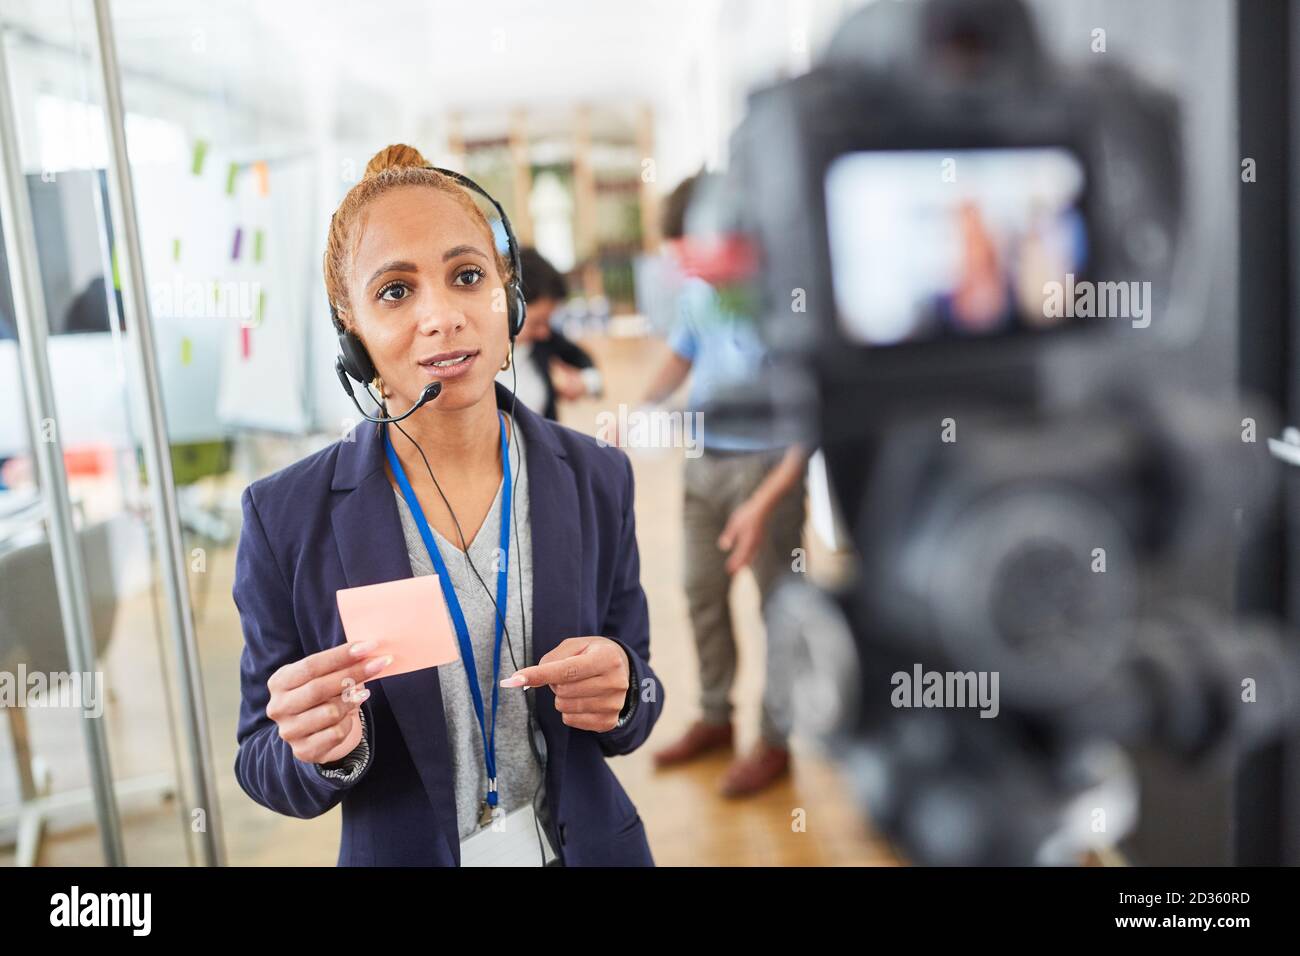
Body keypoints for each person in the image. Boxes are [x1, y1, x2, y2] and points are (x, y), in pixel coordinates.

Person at [231, 144, 663, 866]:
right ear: (352, 329)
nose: (442, 317)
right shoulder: (285, 518)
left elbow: (641, 687)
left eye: (467, 277)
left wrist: (622, 691)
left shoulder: (596, 477)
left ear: (508, 297)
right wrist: (319, 749)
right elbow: (260, 758)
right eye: (395, 292)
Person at [644, 173, 807, 797]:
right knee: (698, 592)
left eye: (692, 252)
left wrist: (766, 502)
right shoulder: (698, 292)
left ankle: (775, 741)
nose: (686, 267)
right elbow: (682, 353)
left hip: (769, 471)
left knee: (780, 610)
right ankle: (716, 718)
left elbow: (810, 417)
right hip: (704, 464)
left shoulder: (783, 295)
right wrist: (635, 411)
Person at [495, 246, 603, 420]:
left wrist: (584, 383)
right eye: (537, 322)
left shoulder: (543, 341)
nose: (544, 332)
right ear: (509, 307)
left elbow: (587, 364)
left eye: (547, 322)